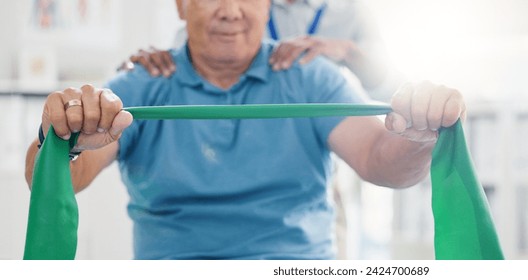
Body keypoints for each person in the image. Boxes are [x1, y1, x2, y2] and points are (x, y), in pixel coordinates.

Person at [25, 0, 465, 260]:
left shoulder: (312, 78)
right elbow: (51, 177)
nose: (232, 12)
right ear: (180, 4)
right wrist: (60, 139)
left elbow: (380, 162)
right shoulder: (137, 85)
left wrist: (419, 138)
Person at [124, 0, 396, 101]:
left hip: (321, 145)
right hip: (252, 145)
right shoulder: (240, 7)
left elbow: (387, 88)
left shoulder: (350, 11)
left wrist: (349, 52)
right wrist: (153, 63)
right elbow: (186, 61)